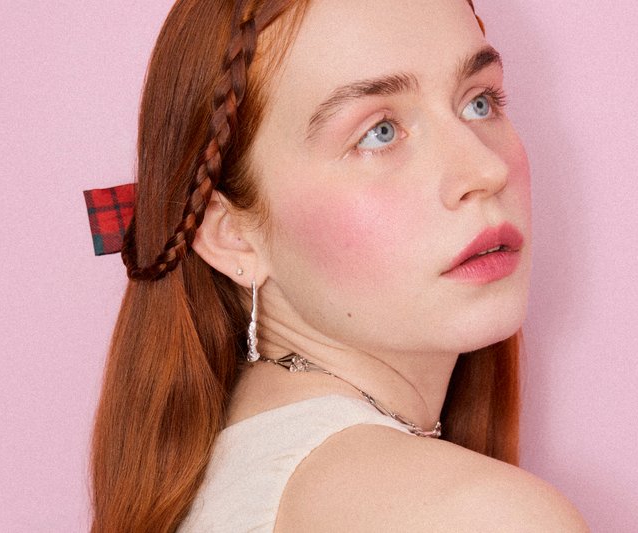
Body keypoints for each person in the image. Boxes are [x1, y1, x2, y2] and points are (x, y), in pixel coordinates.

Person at [90, 0, 588, 531]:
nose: (486, 170)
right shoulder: (484, 517)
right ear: (231, 234)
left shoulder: (216, 478)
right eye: (380, 132)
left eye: (480, 102)